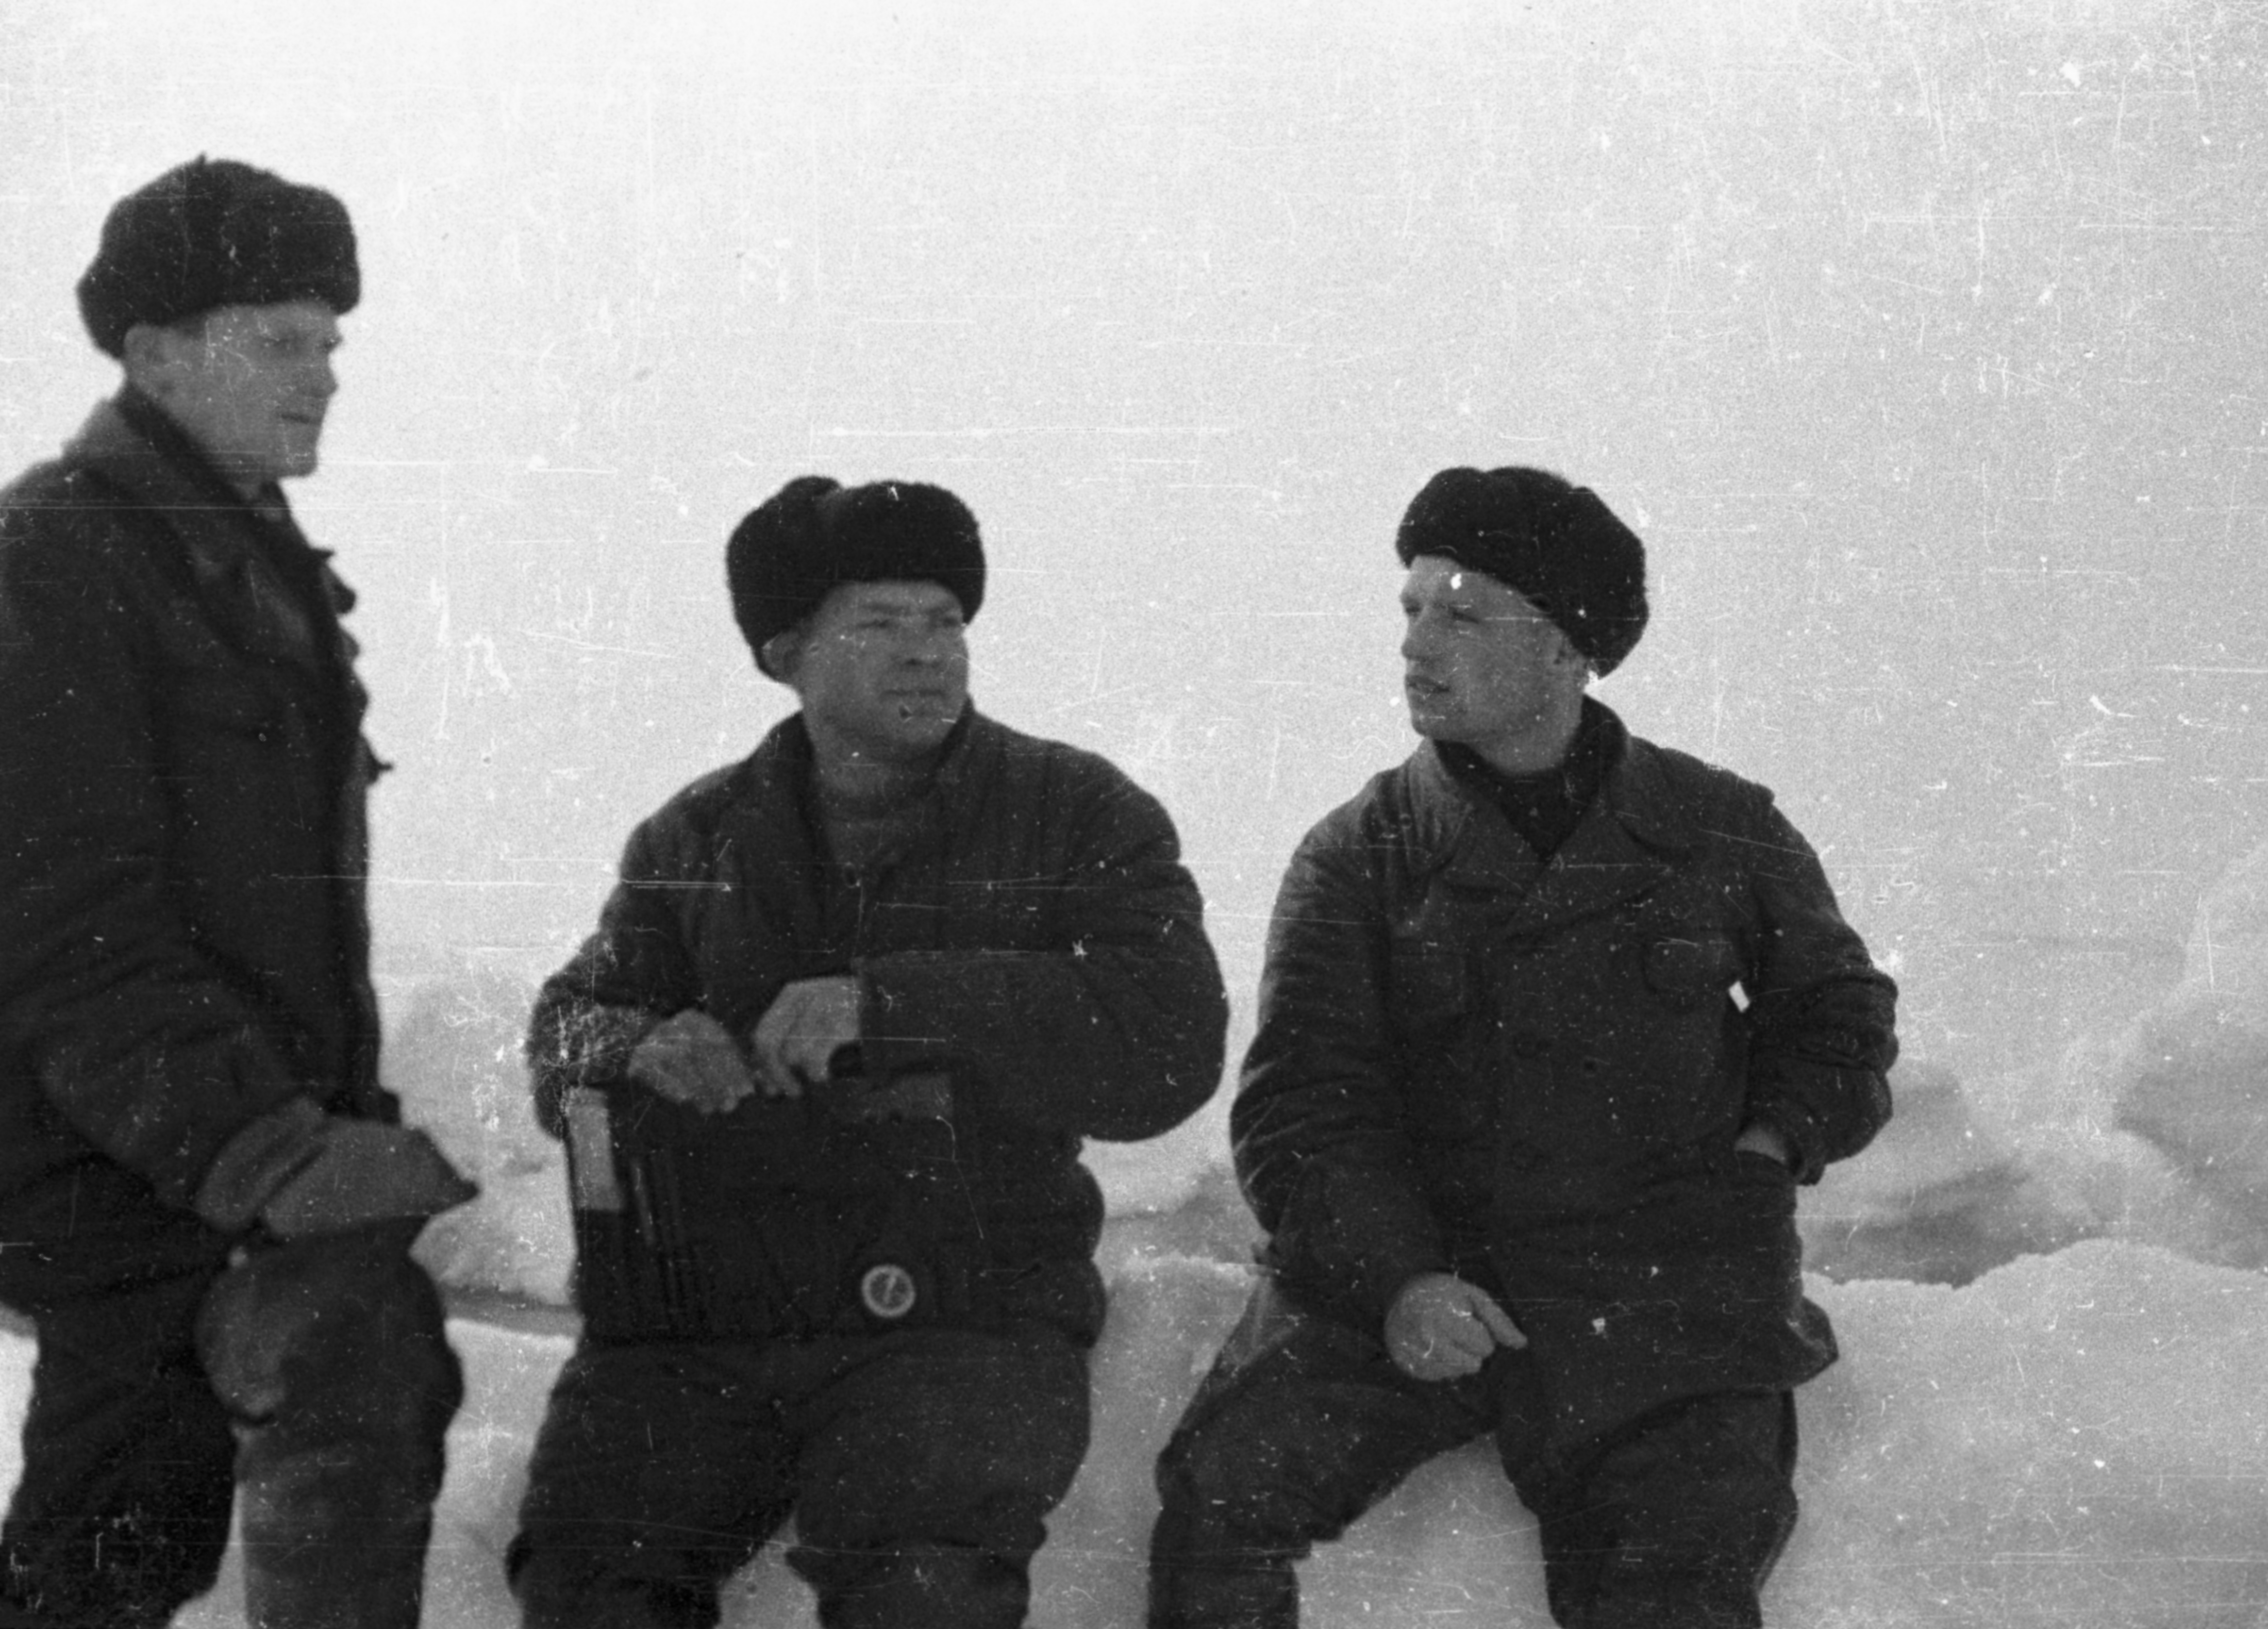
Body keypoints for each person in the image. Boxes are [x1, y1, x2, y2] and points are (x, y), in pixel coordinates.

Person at [1146, 465, 1900, 1629]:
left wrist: (1766, 1149)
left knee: (1674, 1582)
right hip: (1423, 1271)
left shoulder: (1717, 825)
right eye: (1411, 609)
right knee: (1221, 1499)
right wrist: (1401, 1282)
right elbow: (1305, 1106)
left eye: (1462, 614)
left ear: (1566, 647)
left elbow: (1839, 1020)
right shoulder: (1359, 855)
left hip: (1664, 1293)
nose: (1416, 644)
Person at [510, 475, 1231, 1629]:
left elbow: (1171, 1041)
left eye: (945, 621)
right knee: (591, 1575)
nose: (926, 652)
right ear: (785, 652)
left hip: (966, 1313)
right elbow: (567, 1022)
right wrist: (639, 1044)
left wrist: (891, 1005)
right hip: (709, 1322)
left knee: (921, 1586)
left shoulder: (1076, 812)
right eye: (880, 622)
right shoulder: (695, 836)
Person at [0, 157, 478, 1628]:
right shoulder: (56, 559)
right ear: (153, 353)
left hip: (201, 1155)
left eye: (329, 341)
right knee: (115, 1542)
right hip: (110, 1163)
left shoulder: (249, 563)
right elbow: (69, 930)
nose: (322, 374)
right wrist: (272, 1155)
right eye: (278, 340)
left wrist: (331, 1131)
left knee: (335, 1378)